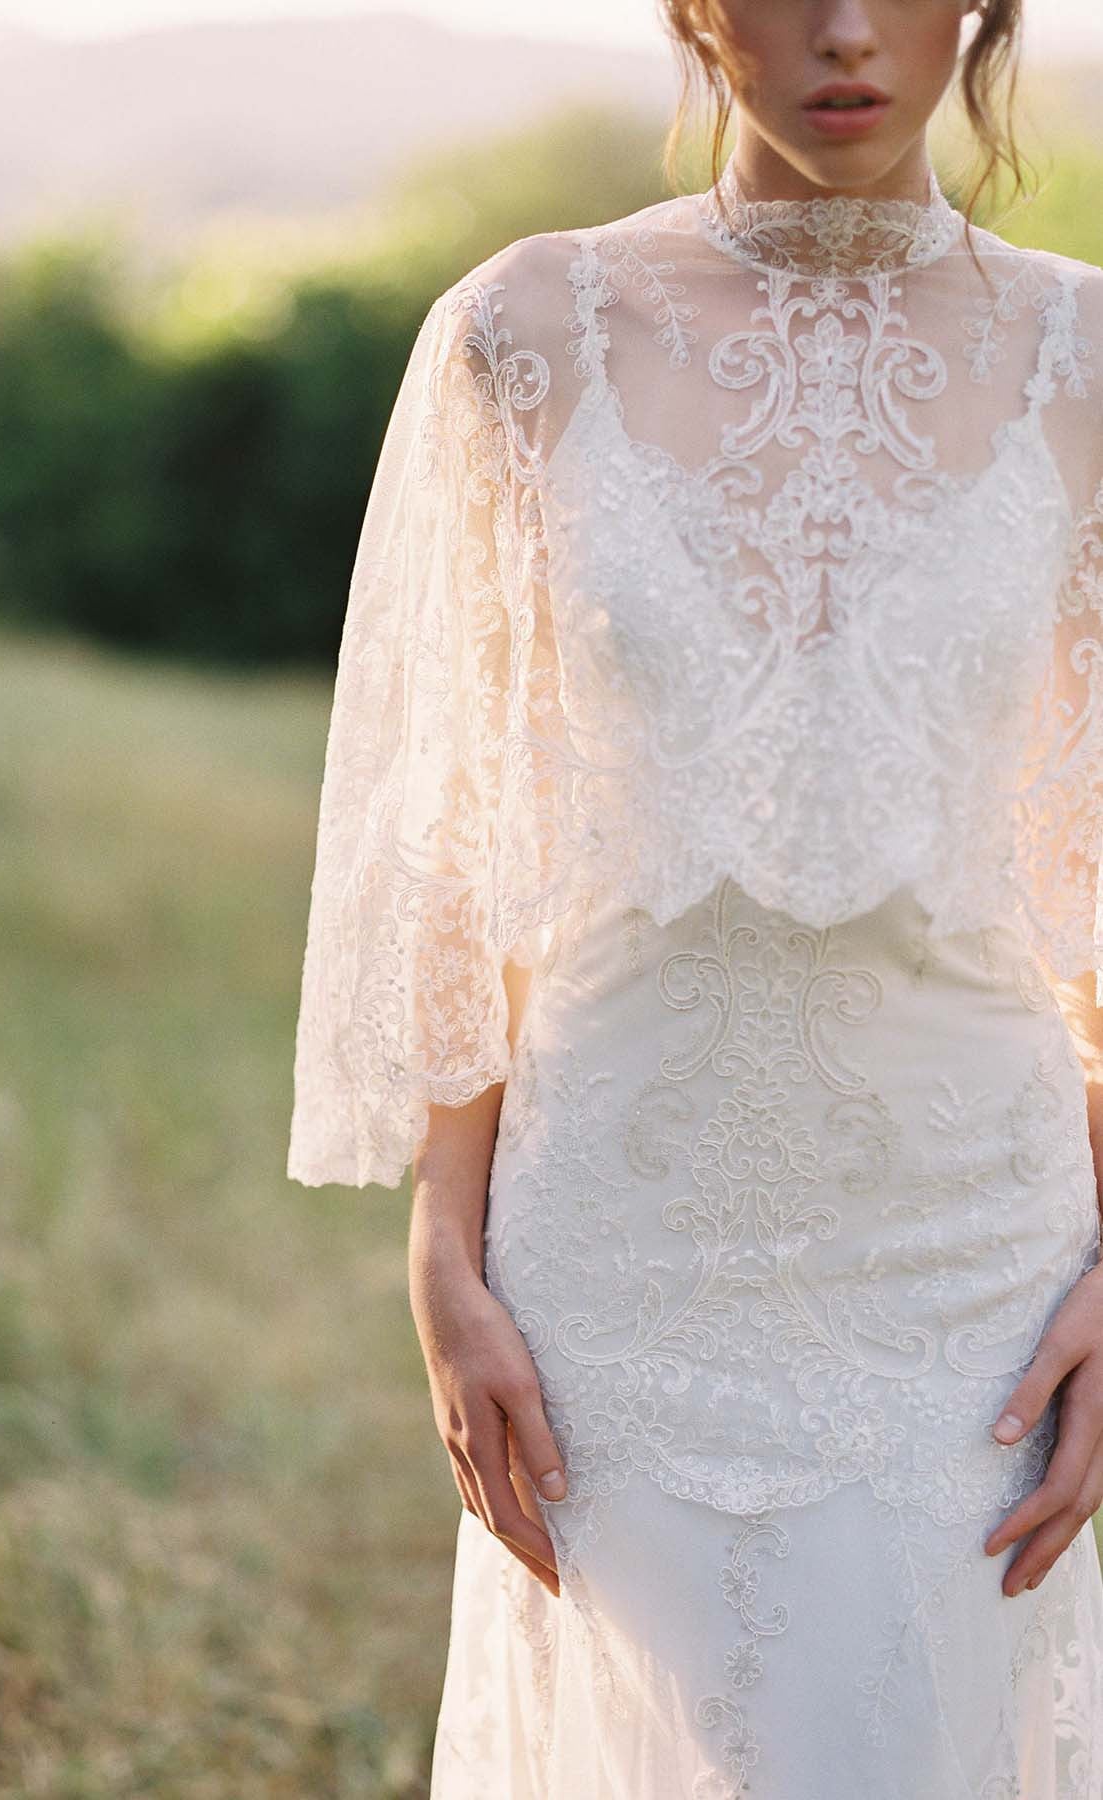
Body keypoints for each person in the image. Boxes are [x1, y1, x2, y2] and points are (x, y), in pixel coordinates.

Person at [286, 0, 1103, 1791]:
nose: (842, 33)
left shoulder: (1088, 355)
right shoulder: (524, 331)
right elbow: (456, 825)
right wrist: (444, 1242)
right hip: (618, 1253)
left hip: (968, 1255)